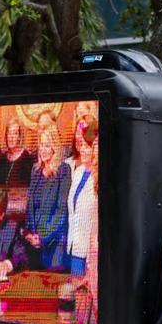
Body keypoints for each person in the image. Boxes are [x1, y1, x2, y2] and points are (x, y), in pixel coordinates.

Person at [24, 122, 71, 270]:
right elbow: (30, 206)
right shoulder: (35, 170)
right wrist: (29, 234)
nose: (43, 150)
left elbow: (61, 211)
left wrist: (43, 237)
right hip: (33, 243)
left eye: (47, 145)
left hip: (54, 244)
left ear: (55, 147)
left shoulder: (63, 170)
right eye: (41, 145)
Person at [65, 119, 98, 277]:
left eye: (87, 146)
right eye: (81, 145)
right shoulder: (78, 172)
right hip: (74, 248)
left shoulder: (99, 180)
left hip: (90, 254)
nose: (82, 150)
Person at [0, 117, 35, 194]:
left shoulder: (27, 159)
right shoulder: (1, 158)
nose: (11, 137)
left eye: (15, 133)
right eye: (9, 133)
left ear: (19, 137)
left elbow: (30, 188)